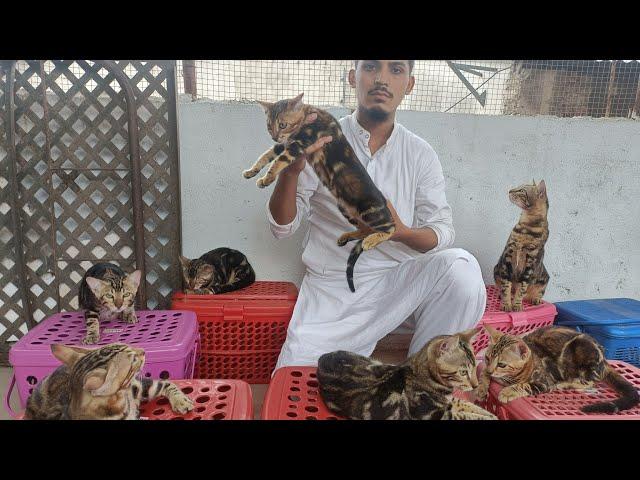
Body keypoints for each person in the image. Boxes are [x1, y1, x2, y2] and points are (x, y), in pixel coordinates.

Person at [267, 60, 486, 369]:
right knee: (293, 382)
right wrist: (290, 172)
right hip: (333, 293)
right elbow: (282, 227)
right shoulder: (320, 139)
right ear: (352, 76)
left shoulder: (419, 153)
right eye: (371, 67)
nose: (382, 79)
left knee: (462, 269)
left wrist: (400, 232)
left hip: (397, 288)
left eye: (396, 69)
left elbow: (442, 231)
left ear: (409, 84)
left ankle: (423, 377)